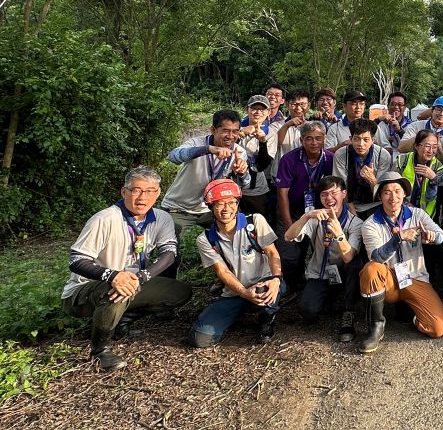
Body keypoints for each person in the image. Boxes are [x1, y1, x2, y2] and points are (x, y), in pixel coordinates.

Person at [63, 167, 192, 371]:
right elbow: (76, 260)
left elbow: (169, 253)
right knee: (117, 290)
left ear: (158, 193)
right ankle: (99, 351)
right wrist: (113, 276)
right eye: (136, 190)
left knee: (179, 292)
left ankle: (122, 320)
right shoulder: (105, 219)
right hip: (84, 291)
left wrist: (142, 276)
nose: (143, 197)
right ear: (124, 192)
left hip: (133, 280)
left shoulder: (162, 218)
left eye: (150, 191)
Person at [357, 172, 443, 354]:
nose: (393, 197)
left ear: (404, 194)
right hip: (389, 279)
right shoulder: (370, 224)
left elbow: (442, 236)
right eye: (387, 192)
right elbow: (376, 257)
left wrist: (431, 236)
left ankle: (411, 314)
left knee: (437, 328)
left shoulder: (417, 214)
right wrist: (398, 238)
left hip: (414, 277)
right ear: (380, 196)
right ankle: (376, 326)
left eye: (397, 191)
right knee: (371, 269)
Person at [190, 179, 285, 346]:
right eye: (219, 204)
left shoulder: (254, 221)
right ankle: (238, 311)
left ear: (238, 202)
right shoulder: (206, 239)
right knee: (201, 338)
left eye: (231, 202)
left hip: (264, 283)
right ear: (210, 206)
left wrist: (276, 278)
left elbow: (272, 252)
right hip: (235, 292)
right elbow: (222, 272)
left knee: (267, 289)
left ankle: (267, 318)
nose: (227, 209)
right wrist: (244, 293)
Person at [161, 109, 250, 274]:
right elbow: (173, 156)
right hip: (179, 207)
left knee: (236, 238)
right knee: (170, 251)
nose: (230, 136)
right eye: (225, 131)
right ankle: (166, 291)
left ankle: (231, 282)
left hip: (212, 208)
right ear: (213, 130)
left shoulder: (239, 152)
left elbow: (245, 184)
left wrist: (242, 173)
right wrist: (208, 149)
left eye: (235, 131)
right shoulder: (197, 143)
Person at [284, 175, 363, 341]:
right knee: (308, 312)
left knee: (356, 263)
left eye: (334, 193)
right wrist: (306, 217)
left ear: (343, 194)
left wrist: (340, 235)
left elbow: (348, 257)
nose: (329, 198)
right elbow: (288, 237)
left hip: (344, 272)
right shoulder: (316, 219)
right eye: (324, 194)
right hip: (320, 273)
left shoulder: (355, 223)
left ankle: (348, 314)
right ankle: (330, 300)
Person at [274, 121, 335, 288]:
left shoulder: (331, 159)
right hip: (292, 211)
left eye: (318, 138)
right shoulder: (289, 159)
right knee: (289, 254)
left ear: (324, 139)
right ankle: (292, 283)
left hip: (320, 213)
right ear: (301, 140)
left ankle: (321, 281)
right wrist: (288, 224)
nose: (314, 143)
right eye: (309, 138)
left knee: (323, 250)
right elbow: (282, 193)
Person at [331, 117, 392, 214]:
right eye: (356, 139)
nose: (361, 144)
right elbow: (340, 187)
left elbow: (384, 191)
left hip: (376, 204)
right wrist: (351, 211)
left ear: (373, 140)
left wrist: (372, 179)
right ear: (350, 139)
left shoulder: (383, 155)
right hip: (349, 203)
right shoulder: (340, 154)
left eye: (366, 140)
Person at [394, 129, 443, 220]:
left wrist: (433, 179)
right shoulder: (402, 161)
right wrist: (404, 203)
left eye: (434, 147)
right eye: (427, 146)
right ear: (416, 146)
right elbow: (391, 186)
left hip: (427, 216)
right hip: (400, 210)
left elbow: (431, 197)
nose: (431, 151)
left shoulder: (439, 167)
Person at [238, 95, 276, 218]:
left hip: (256, 188)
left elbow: (263, 164)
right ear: (247, 109)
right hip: (233, 184)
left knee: (259, 222)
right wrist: (241, 133)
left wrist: (262, 141)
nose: (258, 112)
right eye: (254, 108)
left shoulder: (270, 133)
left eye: (262, 109)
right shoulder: (235, 128)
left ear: (268, 112)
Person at [400, 95, 443, 164]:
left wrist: (439, 151)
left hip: (434, 173)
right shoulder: (415, 126)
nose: (441, 114)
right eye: (438, 109)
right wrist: (419, 136)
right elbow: (401, 148)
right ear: (432, 111)